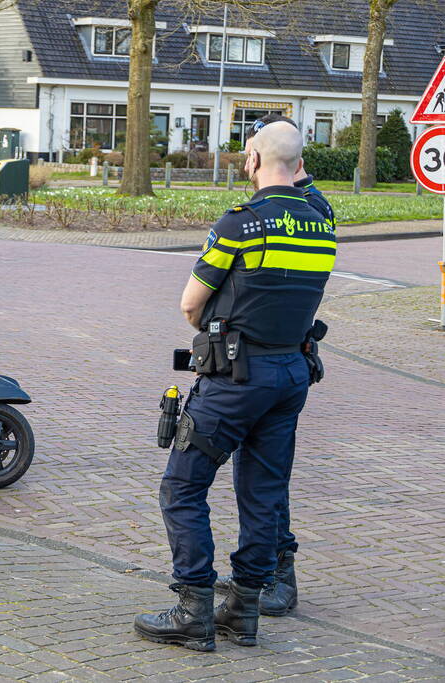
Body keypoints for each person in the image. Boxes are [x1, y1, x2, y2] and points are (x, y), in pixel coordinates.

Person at [134, 122, 335, 651]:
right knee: (264, 494)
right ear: (297, 164)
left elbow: (191, 303)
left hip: (234, 380)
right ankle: (244, 611)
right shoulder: (322, 224)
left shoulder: (240, 224)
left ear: (251, 159)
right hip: (291, 375)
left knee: (182, 487)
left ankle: (193, 610)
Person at [209, 114, 336, 617]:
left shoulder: (310, 207)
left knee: (264, 475)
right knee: (251, 471)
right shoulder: (274, 206)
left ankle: (277, 573)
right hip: (256, 357)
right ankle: (254, 575)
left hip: (276, 357)